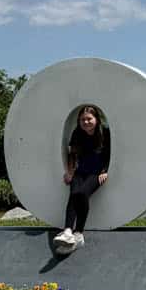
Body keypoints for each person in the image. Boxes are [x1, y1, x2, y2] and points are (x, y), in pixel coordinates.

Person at [54, 105, 110, 254]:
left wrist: (105, 171)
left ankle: (78, 233)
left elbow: (112, 154)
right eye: (82, 120)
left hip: (96, 174)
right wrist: (70, 172)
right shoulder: (77, 133)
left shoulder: (105, 133)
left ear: (96, 119)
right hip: (80, 172)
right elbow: (72, 154)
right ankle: (67, 231)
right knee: (73, 194)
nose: (86, 122)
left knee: (82, 193)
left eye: (89, 119)